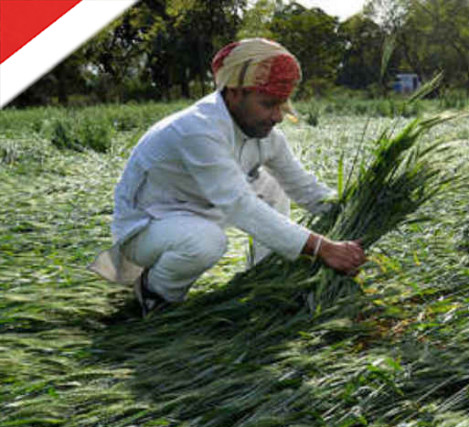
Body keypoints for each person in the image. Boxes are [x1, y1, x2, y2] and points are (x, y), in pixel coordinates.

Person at [89, 38, 364, 316]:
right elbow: (239, 205)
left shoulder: (266, 136)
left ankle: (264, 279)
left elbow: (303, 187)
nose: (278, 116)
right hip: (148, 227)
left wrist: (356, 208)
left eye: (281, 104)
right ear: (233, 93)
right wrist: (323, 248)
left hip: (199, 212)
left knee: (273, 185)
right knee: (207, 242)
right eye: (268, 104)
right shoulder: (197, 129)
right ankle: (155, 294)